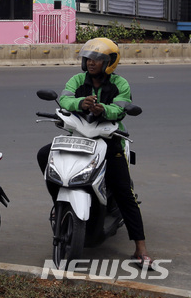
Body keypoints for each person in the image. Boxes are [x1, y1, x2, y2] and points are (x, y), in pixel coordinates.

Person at [36, 37, 154, 269]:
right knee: (44, 155)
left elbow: (121, 108)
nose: (90, 63)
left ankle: (141, 249)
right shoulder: (78, 79)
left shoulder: (120, 84)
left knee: (123, 192)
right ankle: (60, 204)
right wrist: (81, 103)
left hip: (109, 140)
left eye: (96, 59)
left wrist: (104, 109)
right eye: (88, 58)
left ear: (109, 62)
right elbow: (66, 98)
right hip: (80, 137)